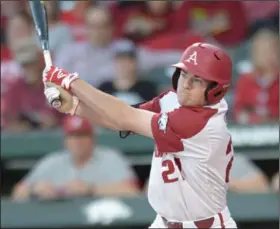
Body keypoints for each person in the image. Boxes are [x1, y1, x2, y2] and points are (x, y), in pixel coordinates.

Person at [43, 42, 237, 228]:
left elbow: (124, 117)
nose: (185, 84)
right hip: (164, 222)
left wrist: (71, 81)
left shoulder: (202, 124)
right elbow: (122, 120)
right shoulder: (173, 100)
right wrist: (74, 106)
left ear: (215, 90)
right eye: (184, 74)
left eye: (197, 80)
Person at [12, 115, 140, 201]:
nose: (77, 141)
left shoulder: (110, 158)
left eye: (82, 135)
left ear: (92, 138)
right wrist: (34, 190)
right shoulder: (53, 161)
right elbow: (18, 192)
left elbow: (133, 191)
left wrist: (91, 189)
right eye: (73, 136)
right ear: (65, 140)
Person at [233, 28, 279, 124]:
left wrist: (270, 118)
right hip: (251, 131)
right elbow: (239, 112)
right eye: (260, 51)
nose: (265, 56)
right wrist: (256, 119)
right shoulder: (245, 80)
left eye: (270, 51)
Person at [98, 39, 158, 105]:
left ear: (135, 62)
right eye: (120, 60)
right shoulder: (104, 88)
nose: (124, 64)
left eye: (128, 60)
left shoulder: (147, 88)